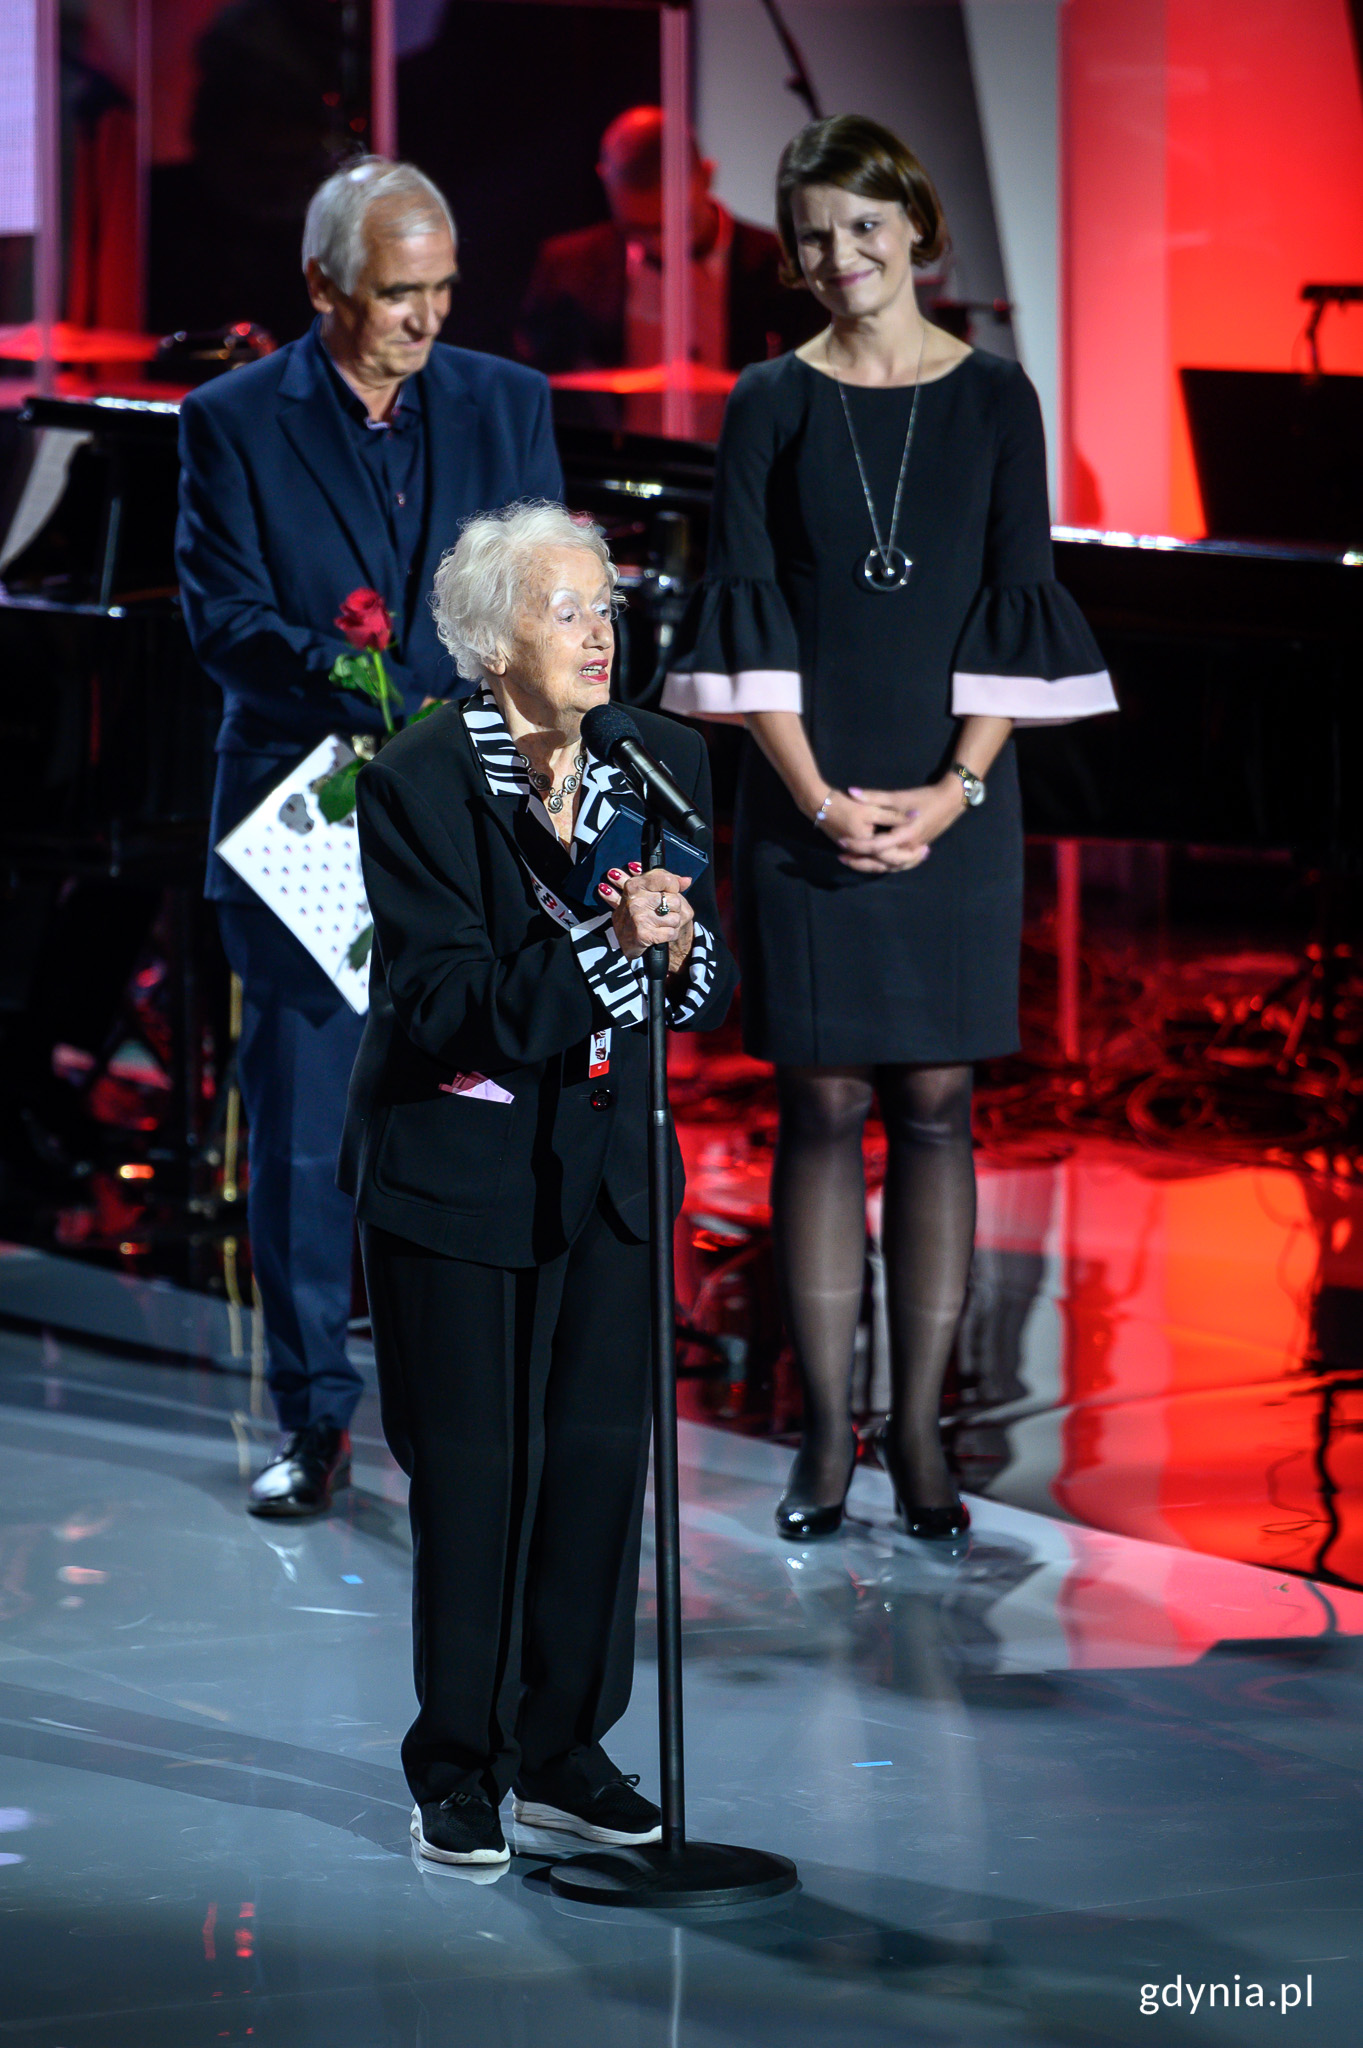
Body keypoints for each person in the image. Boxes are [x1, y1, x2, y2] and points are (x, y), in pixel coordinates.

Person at [662, 116, 1117, 1542]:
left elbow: (1013, 602)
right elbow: (745, 608)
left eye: (861, 225)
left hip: (952, 800)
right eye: (810, 236)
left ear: (913, 228)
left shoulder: (994, 399)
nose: (836, 255)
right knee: (819, 1103)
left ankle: (917, 1436)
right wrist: (815, 799)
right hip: (805, 797)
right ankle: (817, 1438)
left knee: (933, 1105)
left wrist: (952, 789)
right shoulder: (765, 401)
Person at [340, 501, 734, 1864]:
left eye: (605, 609)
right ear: (490, 641)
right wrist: (593, 955)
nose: (597, 633)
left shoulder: (659, 762)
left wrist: (677, 955)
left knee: (588, 1473)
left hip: (609, 1169)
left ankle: (565, 1750)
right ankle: (459, 1765)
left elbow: (699, 965)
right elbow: (445, 1001)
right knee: (471, 1478)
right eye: (566, 611)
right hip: (459, 1184)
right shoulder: (417, 782)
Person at [176, 157, 562, 1518]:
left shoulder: (508, 404)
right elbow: (220, 619)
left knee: (470, 1122)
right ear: (322, 288)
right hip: (300, 819)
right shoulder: (229, 420)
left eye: (444, 288)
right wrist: (354, 684)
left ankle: (456, 1416)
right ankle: (311, 1418)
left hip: (472, 829)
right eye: (399, 294)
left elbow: (545, 601)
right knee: (299, 1138)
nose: (426, 317)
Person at [516, 105, 821, 435]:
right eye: (637, 228)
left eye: (679, 224)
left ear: (707, 175)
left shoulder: (784, 265)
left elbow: (815, 396)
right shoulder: (566, 266)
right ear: (605, 179)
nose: (661, 245)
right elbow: (530, 387)